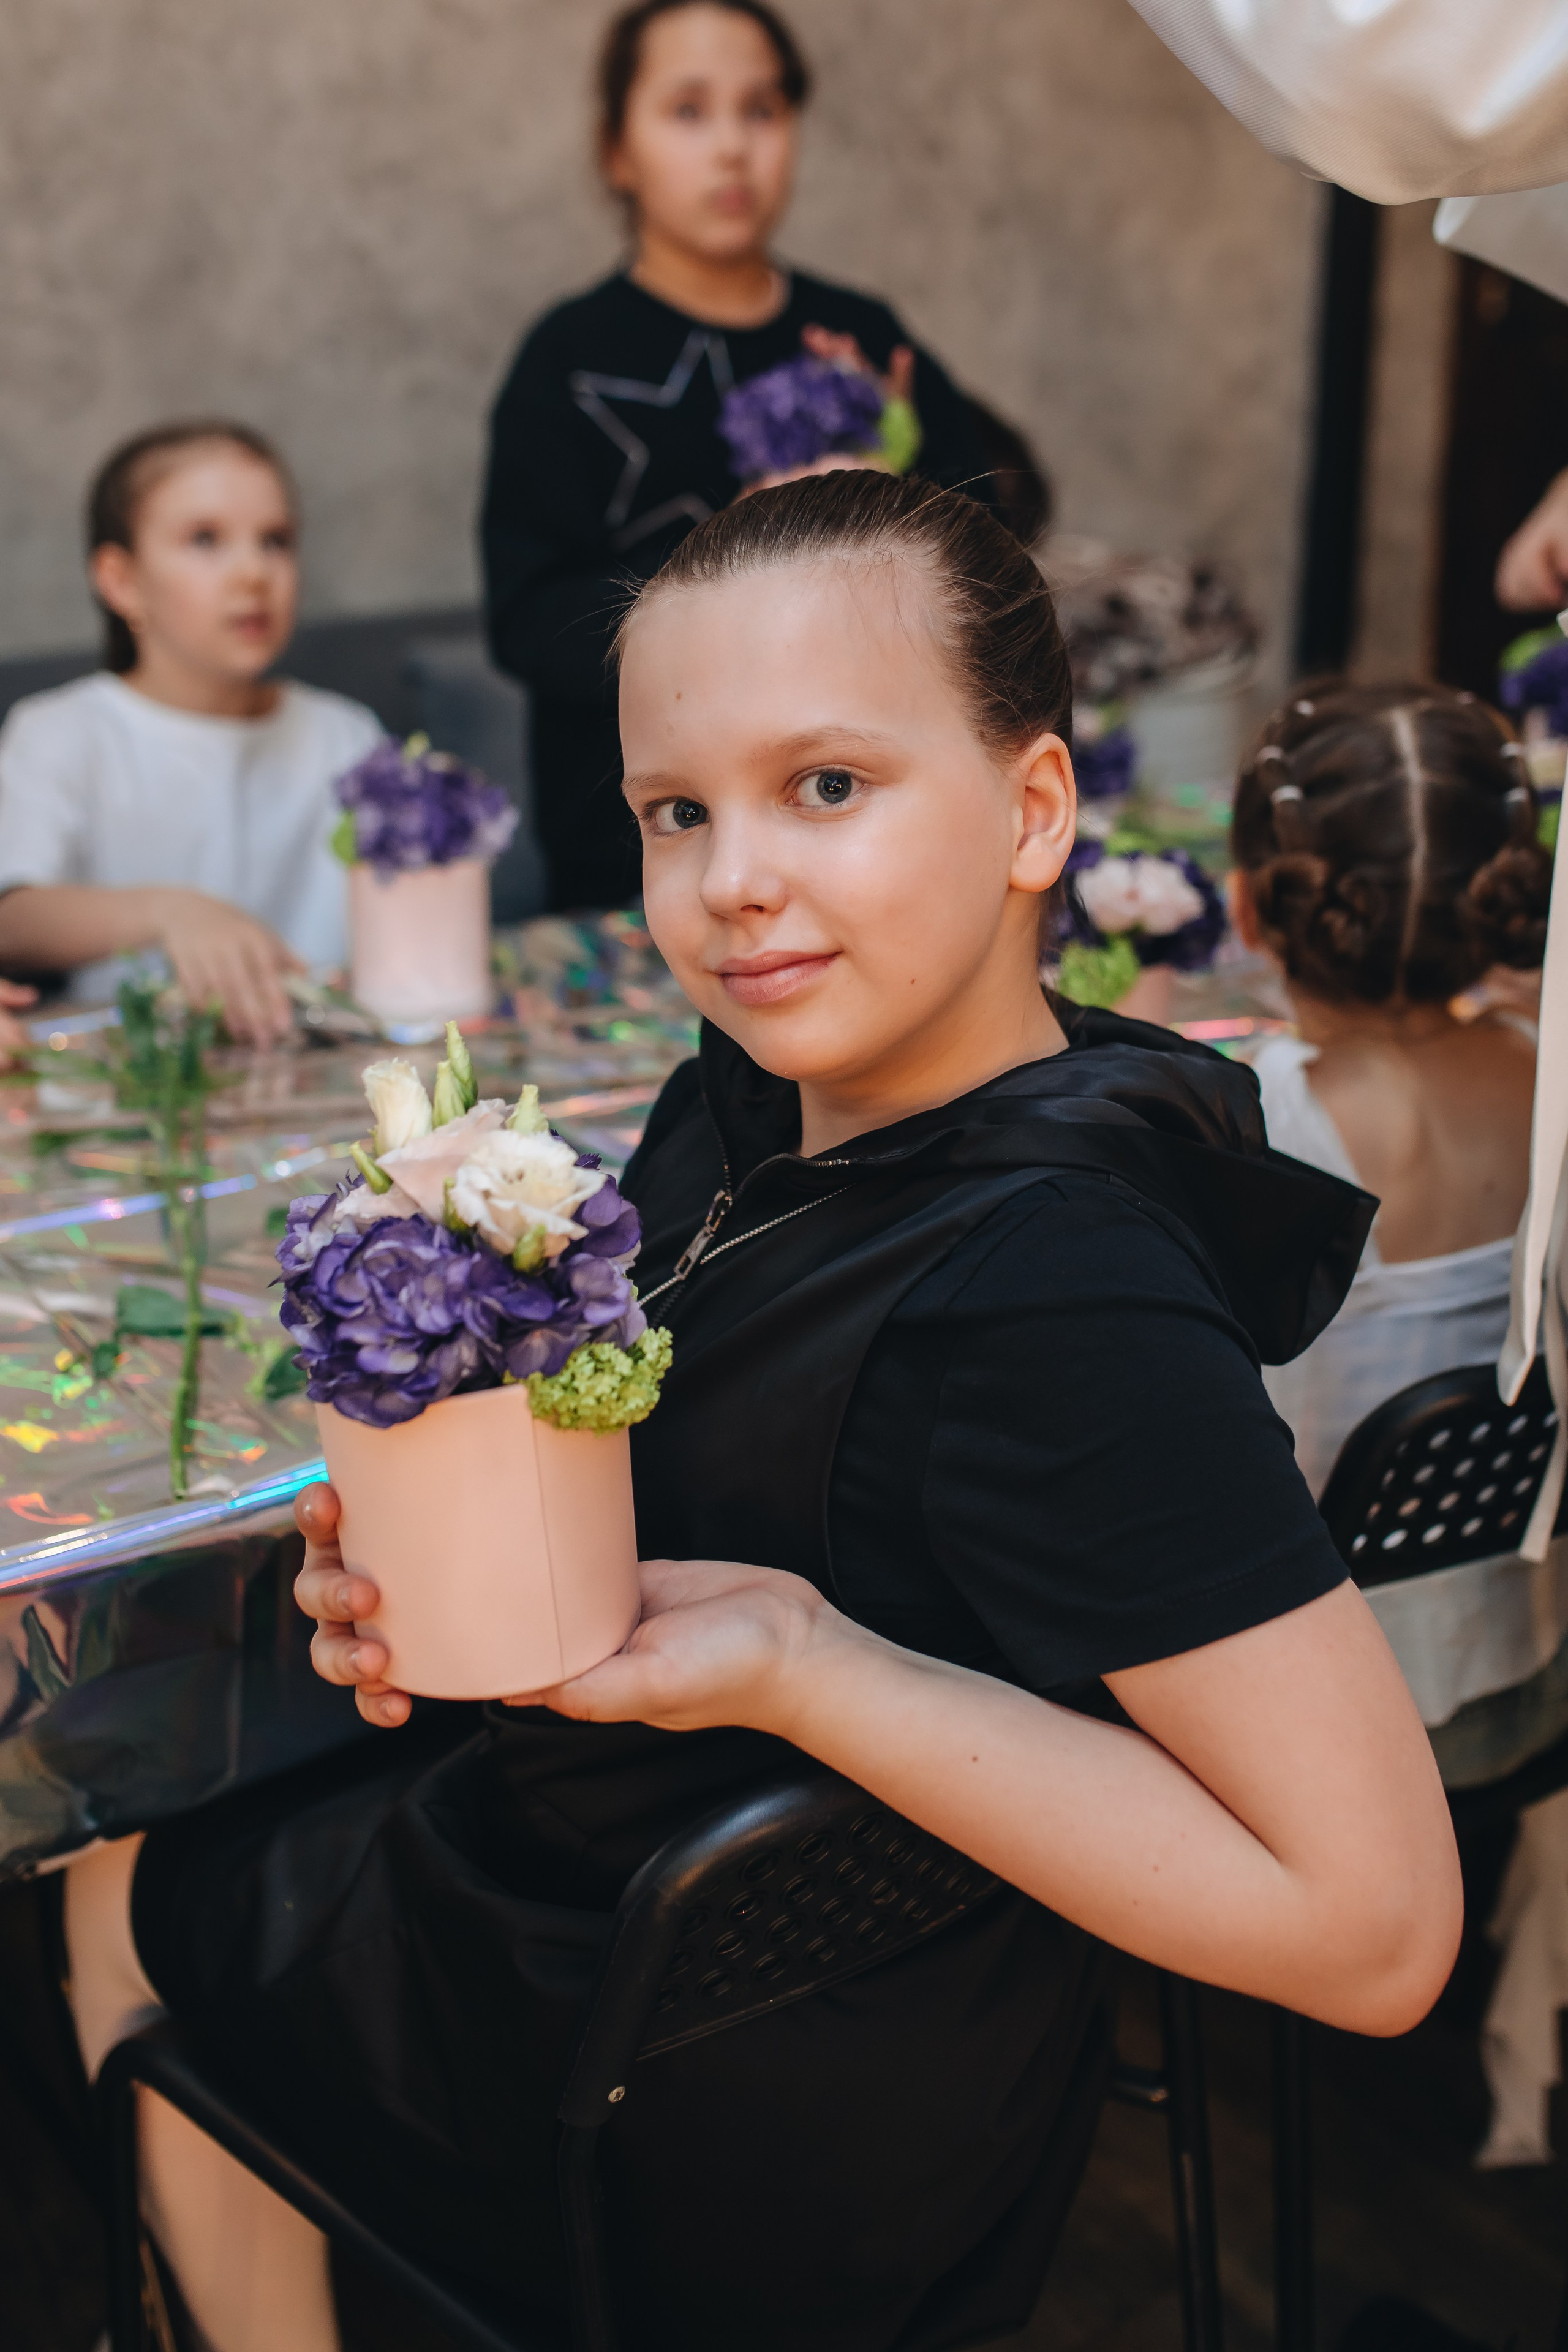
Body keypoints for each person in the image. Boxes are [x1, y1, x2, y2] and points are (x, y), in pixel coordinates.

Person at [68, 473, 1459, 2352]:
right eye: (675, 810)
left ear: (1034, 807)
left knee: (120, 1865)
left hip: (716, 2087)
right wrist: (457, 1536)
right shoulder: (776, 1092)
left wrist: (808, 1664)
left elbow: (1375, 1925)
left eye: (827, 786)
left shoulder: (1053, 1286)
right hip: (722, 1935)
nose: (730, 881)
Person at [481, 0, 995, 914]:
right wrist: (750, 539)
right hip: (641, 872)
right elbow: (528, 622)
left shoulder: (858, 337)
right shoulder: (569, 358)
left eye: (761, 110)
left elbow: (1001, 521)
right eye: (688, 111)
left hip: (864, 854)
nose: (731, 148)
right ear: (617, 151)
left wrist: (888, 484)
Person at [1229, 682, 1550, 1499]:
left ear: (1248, 910)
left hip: (1302, 1602)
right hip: (1514, 1595)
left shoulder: (1257, 1120)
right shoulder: (1546, 1068)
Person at [0, 421, 384, 1044]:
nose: (253, 573)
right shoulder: (61, 732)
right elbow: (12, 919)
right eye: (205, 540)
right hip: (143, 1081)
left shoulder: (344, 733)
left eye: (276, 541)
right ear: (121, 581)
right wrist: (166, 911)